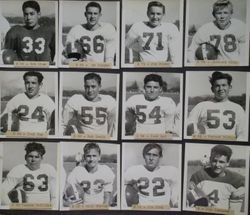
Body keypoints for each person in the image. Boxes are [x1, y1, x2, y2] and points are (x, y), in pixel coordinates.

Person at [187, 71, 246, 140]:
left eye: (224, 85)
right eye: (217, 86)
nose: (221, 89)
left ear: (230, 87)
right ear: (212, 89)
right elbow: (189, 126)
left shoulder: (238, 109)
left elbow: (242, 134)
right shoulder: (201, 106)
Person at [187, 145, 245, 210]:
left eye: (221, 162)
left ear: (228, 163)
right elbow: (190, 201)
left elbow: (235, 211)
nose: (217, 165)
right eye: (214, 161)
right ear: (210, 160)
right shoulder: (198, 176)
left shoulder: (237, 181)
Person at [187, 0, 246, 64]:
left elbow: (245, 50)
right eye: (219, 13)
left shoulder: (240, 26)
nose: (222, 16)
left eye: (225, 13)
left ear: (231, 14)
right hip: (216, 64)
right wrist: (196, 63)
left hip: (236, 63)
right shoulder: (206, 29)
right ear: (214, 15)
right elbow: (191, 49)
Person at [124, 143, 179, 207]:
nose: (151, 158)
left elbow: (176, 191)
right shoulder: (134, 170)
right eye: (148, 154)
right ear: (144, 156)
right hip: (143, 209)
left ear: (160, 157)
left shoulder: (170, 171)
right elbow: (123, 186)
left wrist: (176, 202)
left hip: (162, 209)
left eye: (155, 155)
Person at [63, 72, 116, 137]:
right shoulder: (76, 100)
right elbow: (63, 123)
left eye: (93, 87)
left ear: (99, 87)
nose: (90, 90)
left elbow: (113, 127)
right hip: (83, 139)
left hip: (102, 138)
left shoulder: (109, 101)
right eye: (87, 87)